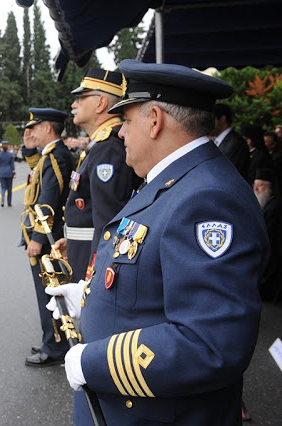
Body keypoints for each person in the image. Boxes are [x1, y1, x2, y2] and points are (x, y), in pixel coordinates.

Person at [45, 60, 269, 425]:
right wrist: (88, 298)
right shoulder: (177, 181)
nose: (119, 133)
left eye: (126, 121)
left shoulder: (207, 198)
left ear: (154, 120)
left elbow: (208, 343)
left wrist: (92, 362)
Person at [53, 68, 143, 282]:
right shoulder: (100, 145)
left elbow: (108, 224)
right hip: (83, 252)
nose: (74, 105)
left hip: (92, 264)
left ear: (101, 103)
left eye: (81, 98)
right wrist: (73, 241)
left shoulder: (107, 148)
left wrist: (95, 274)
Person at [20, 108, 75, 367]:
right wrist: (28, 145)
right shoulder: (51, 154)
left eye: (35, 127)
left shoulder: (57, 156)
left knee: (49, 294)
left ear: (48, 128)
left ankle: (54, 347)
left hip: (49, 238)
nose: (31, 131)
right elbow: (35, 168)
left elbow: (48, 200)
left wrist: (38, 237)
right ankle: (51, 339)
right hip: (48, 235)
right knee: (49, 292)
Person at [254, 168, 281, 301]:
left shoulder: (274, 207)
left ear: (269, 188)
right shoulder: (265, 204)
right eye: (255, 186)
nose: (256, 190)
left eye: (260, 186)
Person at [212, 103, 250, 181]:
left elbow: (221, 172)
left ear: (222, 119)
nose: (208, 123)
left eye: (212, 119)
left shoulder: (235, 143)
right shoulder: (219, 141)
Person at [0, 141, 15, 207]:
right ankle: (9, 202)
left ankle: (3, 198)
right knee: (9, 188)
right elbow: (12, 165)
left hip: (2, 172)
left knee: (3, 187)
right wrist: (14, 172)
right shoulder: (10, 155)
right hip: (9, 172)